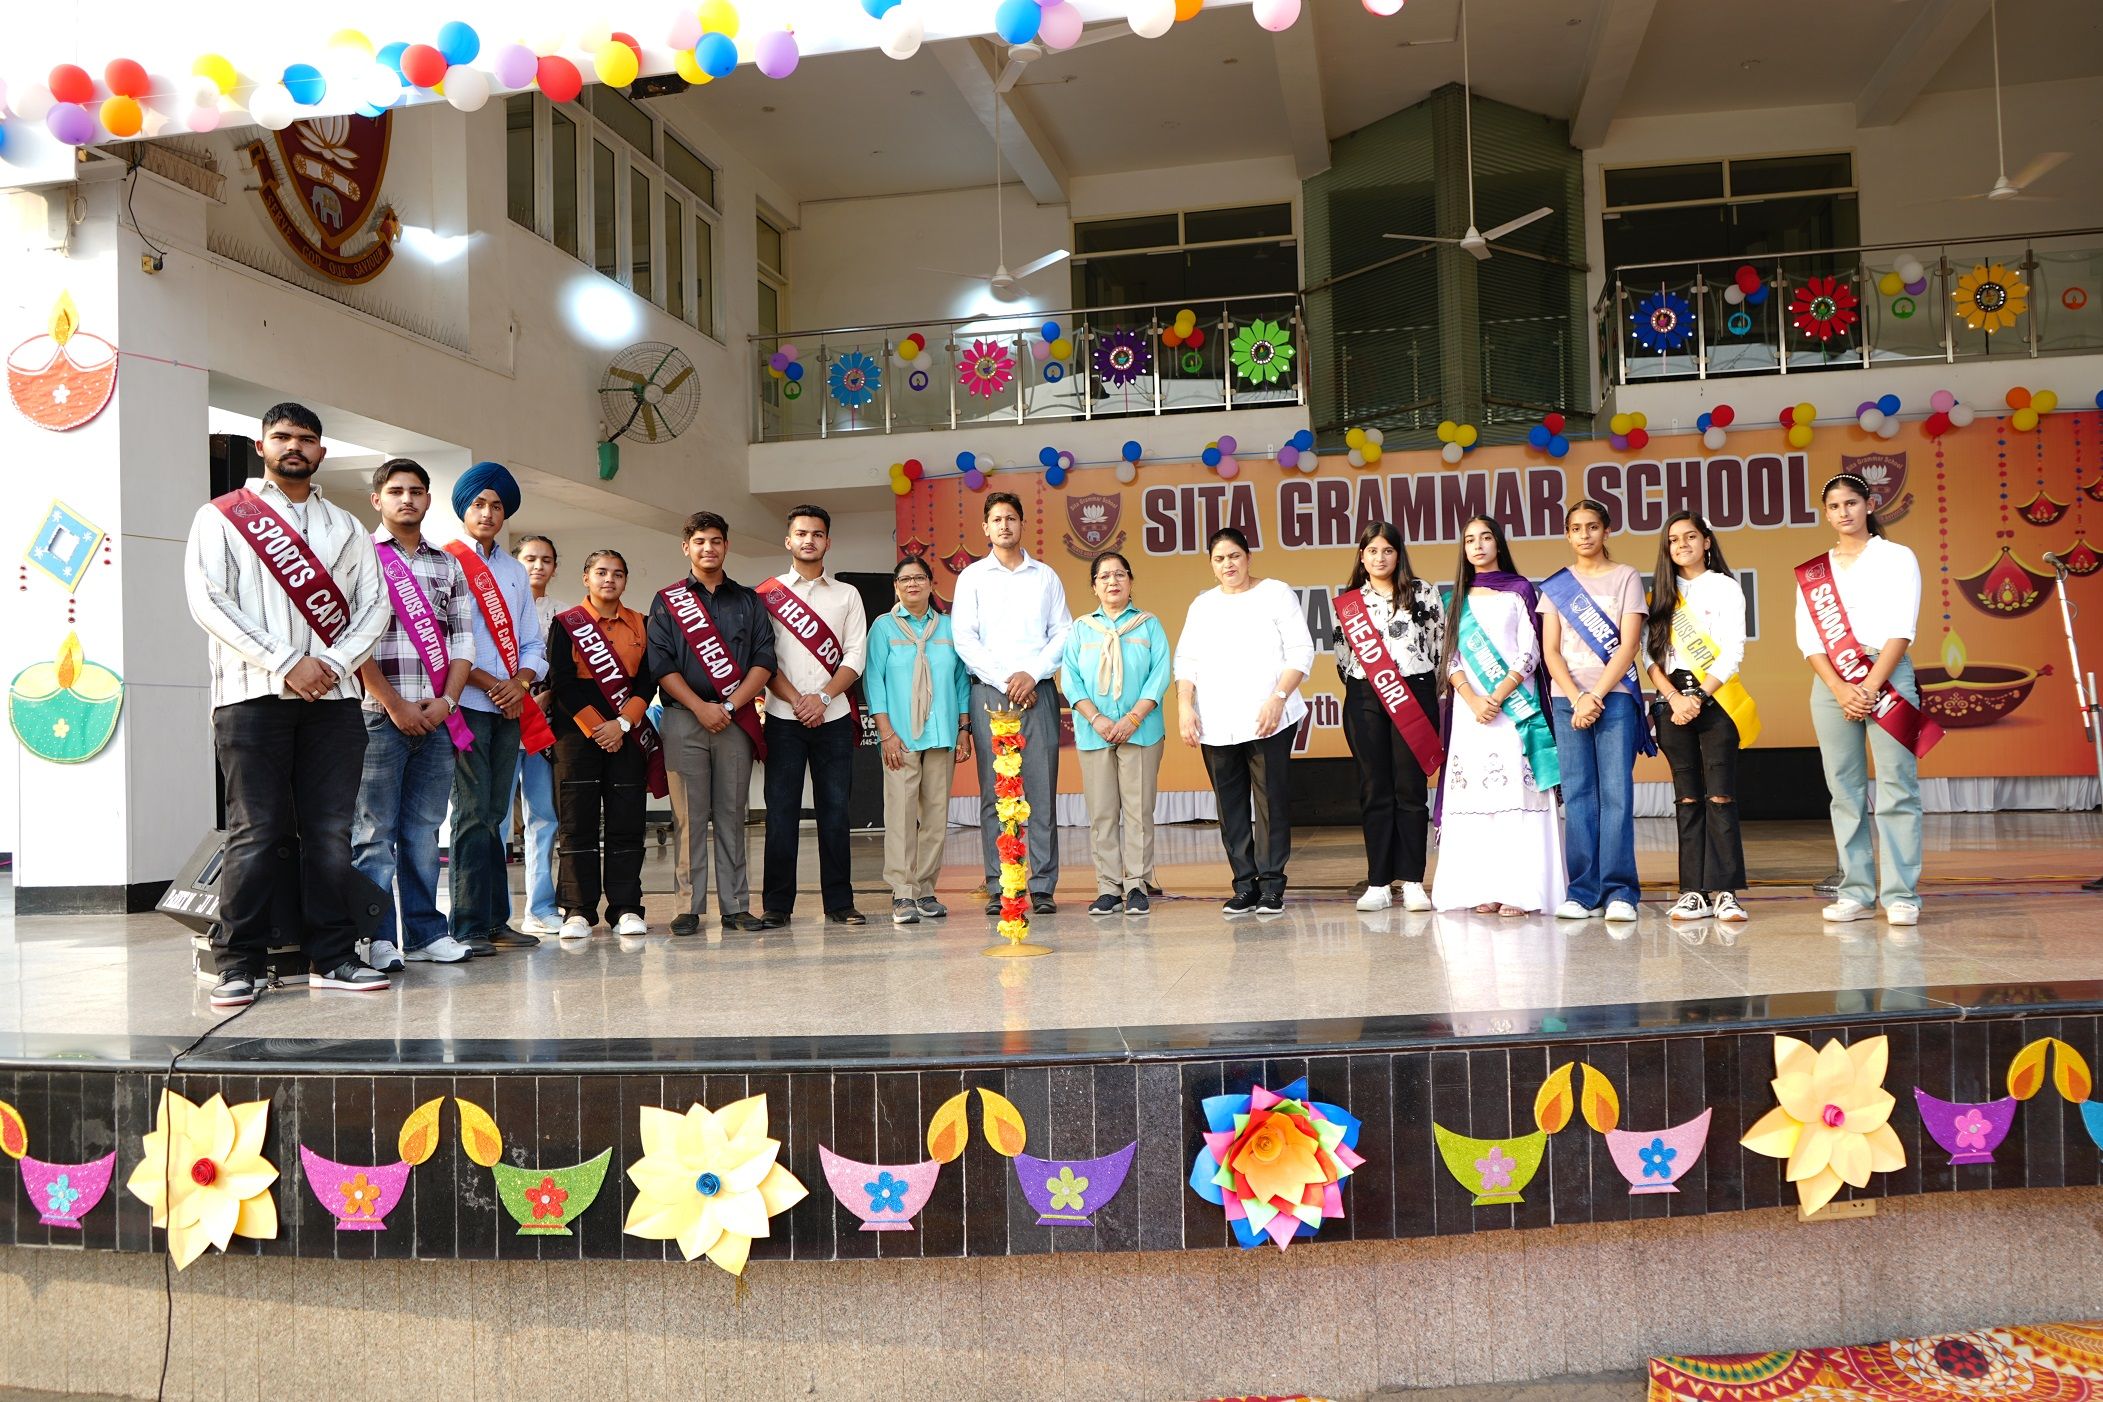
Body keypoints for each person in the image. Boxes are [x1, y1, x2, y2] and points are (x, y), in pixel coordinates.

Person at [184, 402, 392, 1007]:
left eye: (305, 438)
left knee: (330, 832)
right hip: (251, 695)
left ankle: (333, 955)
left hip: (335, 698)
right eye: (281, 436)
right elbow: (208, 600)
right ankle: (238, 962)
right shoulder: (221, 516)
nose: (293, 446)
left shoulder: (347, 528)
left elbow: (375, 607)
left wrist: (331, 665)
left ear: (321, 451)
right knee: (256, 829)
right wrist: (286, 661)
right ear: (262, 446)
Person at [1793, 473, 1932, 927]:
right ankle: (1855, 890)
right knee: (1844, 790)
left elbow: (1902, 628)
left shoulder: (1897, 556)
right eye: (1834, 506)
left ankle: (1901, 895)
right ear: (1826, 514)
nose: (1844, 512)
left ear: (1869, 505)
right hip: (1832, 685)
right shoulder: (1814, 571)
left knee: (1897, 785)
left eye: (1851, 503)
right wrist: (1839, 688)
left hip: (1887, 675)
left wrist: (1870, 686)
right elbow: (1809, 639)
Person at [352, 459, 476, 968]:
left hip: (438, 716)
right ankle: (375, 938)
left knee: (424, 833)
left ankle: (426, 934)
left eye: (417, 491)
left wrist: (447, 702)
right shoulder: (360, 558)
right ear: (377, 500)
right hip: (378, 716)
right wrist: (395, 704)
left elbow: (463, 641)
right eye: (396, 491)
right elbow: (351, 642)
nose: (407, 499)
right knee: (374, 834)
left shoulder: (448, 564)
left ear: (428, 500)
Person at [646, 511, 776, 935]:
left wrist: (731, 705)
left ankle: (736, 906)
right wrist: (700, 707)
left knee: (732, 814)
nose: (708, 548)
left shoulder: (749, 601)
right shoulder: (667, 601)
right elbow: (660, 663)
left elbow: (764, 659)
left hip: (734, 721)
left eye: (716, 540)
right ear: (686, 547)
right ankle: (688, 907)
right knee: (688, 817)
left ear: (726, 546)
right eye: (700, 541)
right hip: (684, 719)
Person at [1175, 527, 1315, 916]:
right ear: (1211, 565)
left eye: (1234, 556)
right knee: (1230, 805)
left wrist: (1278, 698)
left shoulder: (1275, 593)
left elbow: (1301, 651)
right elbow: (1186, 660)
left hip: (1270, 718)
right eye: (1219, 559)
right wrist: (1185, 706)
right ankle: (1244, 884)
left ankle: (1271, 884)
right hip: (1216, 722)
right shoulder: (1202, 605)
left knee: (1270, 801)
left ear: (1249, 558)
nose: (1228, 564)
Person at [1431, 516, 1565, 916]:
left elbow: (1530, 651)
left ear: (1498, 544)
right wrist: (1473, 699)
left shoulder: (1520, 590)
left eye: (1485, 537)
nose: (1477, 545)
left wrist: (1497, 694)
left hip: (1514, 708)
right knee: (1478, 798)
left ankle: (1519, 891)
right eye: (1470, 539)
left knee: (1515, 797)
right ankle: (1483, 888)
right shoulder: (1455, 599)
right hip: (1471, 714)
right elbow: (1450, 657)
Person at [444, 462, 551, 957]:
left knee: (495, 815)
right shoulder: (447, 562)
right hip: (466, 704)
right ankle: (467, 923)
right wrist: (494, 684)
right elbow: (445, 643)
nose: (487, 513)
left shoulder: (513, 571)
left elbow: (532, 641)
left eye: (497, 506)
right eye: (479, 504)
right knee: (470, 813)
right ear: (463, 509)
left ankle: (495, 921)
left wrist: (520, 683)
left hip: (509, 707)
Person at [952, 492, 1073, 915]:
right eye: (996, 519)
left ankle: (1042, 886)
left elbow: (1062, 632)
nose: (1004, 525)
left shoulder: (1045, 576)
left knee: (1040, 790)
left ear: (1022, 525)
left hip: (1037, 692)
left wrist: (1032, 674)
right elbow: (964, 638)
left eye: (1011, 518)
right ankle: (1000, 885)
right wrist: (1007, 679)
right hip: (990, 692)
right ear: (985, 527)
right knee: (995, 794)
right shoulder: (972, 577)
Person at [1538, 499, 1651, 923]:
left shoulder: (1626, 577)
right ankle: (1583, 891)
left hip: (1614, 697)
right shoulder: (1557, 586)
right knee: (1579, 795)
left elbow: (1629, 643)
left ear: (1606, 531)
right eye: (1576, 528)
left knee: (1616, 794)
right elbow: (1550, 651)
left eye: (1592, 527)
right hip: (1568, 700)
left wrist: (1596, 695)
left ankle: (1621, 891)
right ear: (1567, 535)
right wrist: (1577, 697)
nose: (1584, 535)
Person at [757, 505, 869, 926]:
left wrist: (821, 698)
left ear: (828, 542)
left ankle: (840, 902)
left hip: (833, 717)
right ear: (789, 540)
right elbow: (763, 658)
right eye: (801, 533)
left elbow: (855, 654)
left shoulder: (847, 595)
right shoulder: (766, 595)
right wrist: (797, 701)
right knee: (780, 813)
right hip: (783, 718)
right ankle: (776, 905)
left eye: (817, 534)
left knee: (836, 813)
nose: (809, 540)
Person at [1644, 512, 1755, 924]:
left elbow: (1732, 649)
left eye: (1690, 537)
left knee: (1720, 796)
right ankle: (1692, 891)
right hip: (1671, 702)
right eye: (1674, 540)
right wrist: (1676, 698)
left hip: (1716, 699)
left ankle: (1725, 892)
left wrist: (1699, 696)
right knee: (1687, 799)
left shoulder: (1725, 587)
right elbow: (1649, 657)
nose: (1682, 545)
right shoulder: (1660, 595)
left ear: (1706, 541)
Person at [546, 550, 662, 938]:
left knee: (627, 821)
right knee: (575, 822)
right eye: (601, 572)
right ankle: (577, 910)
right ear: (586, 578)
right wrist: (600, 728)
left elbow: (648, 680)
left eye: (617, 574)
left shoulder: (642, 623)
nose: (609, 579)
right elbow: (561, 680)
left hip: (627, 730)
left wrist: (622, 724)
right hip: (576, 733)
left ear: (626, 581)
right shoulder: (567, 623)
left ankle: (626, 907)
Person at [1333, 522, 1445, 914]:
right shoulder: (1349, 602)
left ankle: (1413, 881)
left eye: (1387, 550)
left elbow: (1438, 645)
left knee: (1410, 788)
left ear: (1399, 554)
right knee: (1374, 788)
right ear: (1361, 557)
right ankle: (1379, 882)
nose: (1380, 558)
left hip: (1414, 693)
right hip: (1365, 696)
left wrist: (1422, 685)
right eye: (1372, 551)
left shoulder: (1422, 592)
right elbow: (1343, 658)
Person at [1061, 551, 1172, 917]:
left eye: (1120, 575)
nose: (1113, 581)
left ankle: (1137, 884)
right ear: (1094, 586)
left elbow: (1160, 675)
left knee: (1139, 811)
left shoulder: (1148, 625)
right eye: (1104, 576)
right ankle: (1108, 887)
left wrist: (1132, 719)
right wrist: (1097, 719)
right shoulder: (1081, 629)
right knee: (1102, 813)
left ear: (1131, 581)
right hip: (1095, 733)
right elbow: (1070, 680)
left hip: (1141, 732)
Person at [865, 555, 972, 925]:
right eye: (905, 579)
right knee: (900, 816)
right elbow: (873, 681)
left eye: (919, 578)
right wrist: (886, 733)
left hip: (941, 734)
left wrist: (964, 728)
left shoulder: (948, 628)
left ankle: (925, 889)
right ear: (896, 587)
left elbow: (960, 680)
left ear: (931, 583)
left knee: (936, 816)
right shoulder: (883, 627)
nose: (912, 584)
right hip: (900, 737)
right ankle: (902, 892)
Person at [510, 534, 564, 935]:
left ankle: (541, 907)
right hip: (498, 718)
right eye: (530, 558)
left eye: (546, 560)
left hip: (543, 726)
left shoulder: (564, 614)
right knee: (494, 820)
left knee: (543, 816)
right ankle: (492, 912)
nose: (538, 566)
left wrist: (548, 698)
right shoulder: (499, 606)